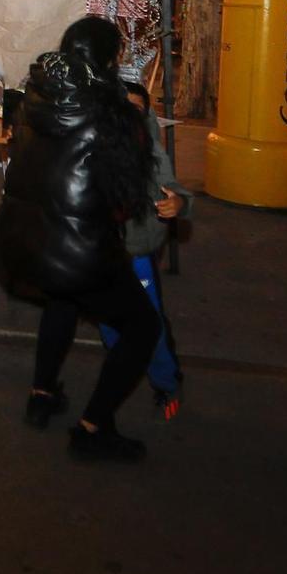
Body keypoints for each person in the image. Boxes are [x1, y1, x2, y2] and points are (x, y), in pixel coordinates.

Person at [0, 17, 160, 462]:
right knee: (144, 327)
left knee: (62, 300)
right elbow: (127, 196)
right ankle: (93, 427)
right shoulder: (112, 113)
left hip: (22, 243)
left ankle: (42, 394)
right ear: (108, 61)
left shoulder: (32, 99)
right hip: (79, 249)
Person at [95, 76, 189, 422]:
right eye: (125, 108)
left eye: (139, 109)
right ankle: (122, 365)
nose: (131, 115)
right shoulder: (93, 142)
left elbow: (173, 187)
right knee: (109, 321)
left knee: (148, 321)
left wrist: (178, 203)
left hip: (135, 251)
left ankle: (166, 380)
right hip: (98, 252)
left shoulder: (147, 146)